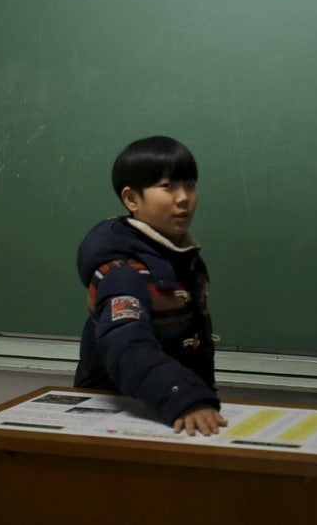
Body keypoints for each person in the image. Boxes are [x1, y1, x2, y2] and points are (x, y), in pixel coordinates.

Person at [75, 136, 227, 436]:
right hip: (119, 423)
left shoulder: (178, 255)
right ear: (132, 199)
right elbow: (126, 346)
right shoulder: (123, 272)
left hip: (167, 413)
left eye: (190, 185)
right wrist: (184, 397)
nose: (183, 198)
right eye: (167, 186)